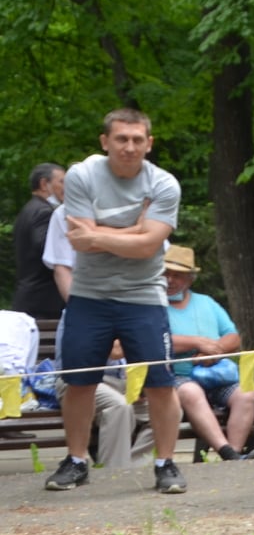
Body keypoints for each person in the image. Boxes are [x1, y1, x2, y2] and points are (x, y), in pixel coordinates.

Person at [45, 110, 187, 496]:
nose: (129, 147)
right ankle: (76, 461)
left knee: (160, 383)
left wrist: (108, 235)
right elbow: (78, 237)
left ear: (149, 144)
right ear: (105, 141)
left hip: (144, 296)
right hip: (89, 295)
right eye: (121, 139)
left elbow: (146, 248)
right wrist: (137, 230)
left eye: (138, 140)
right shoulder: (82, 175)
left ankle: (166, 463)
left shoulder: (163, 184)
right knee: (79, 382)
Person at [41, 202, 145, 470]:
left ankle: (132, 464)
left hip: (121, 381)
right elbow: (111, 351)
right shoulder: (81, 307)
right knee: (119, 407)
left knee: (169, 406)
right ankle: (114, 474)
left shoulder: (133, 306)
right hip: (82, 382)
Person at [162, 245, 254, 462]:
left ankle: (233, 455)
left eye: (177, 275)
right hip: (178, 377)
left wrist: (215, 352)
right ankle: (227, 452)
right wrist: (196, 342)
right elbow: (154, 342)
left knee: (246, 391)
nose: (170, 280)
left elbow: (233, 337)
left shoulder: (206, 302)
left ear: (190, 278)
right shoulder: (154, 306)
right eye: (166, 274)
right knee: (191, 392)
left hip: (215, 374)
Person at [12, 163, 65, 320]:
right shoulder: (44, 212)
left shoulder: (28, 209)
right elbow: (47, 249)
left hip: (31, 299)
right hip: (44, 303)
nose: (67, 187)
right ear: (44, 184)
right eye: (62, 181)